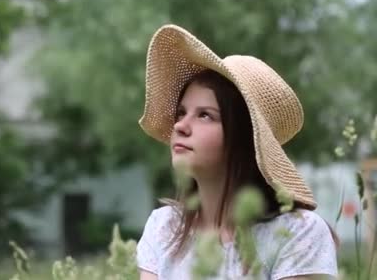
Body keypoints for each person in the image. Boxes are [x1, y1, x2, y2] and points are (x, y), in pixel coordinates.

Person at [135, 24, 338, 279]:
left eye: (205, 116)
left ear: (244, 137)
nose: (180, 126)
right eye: (181, 113)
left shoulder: (298, 232)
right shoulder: (164, 228)